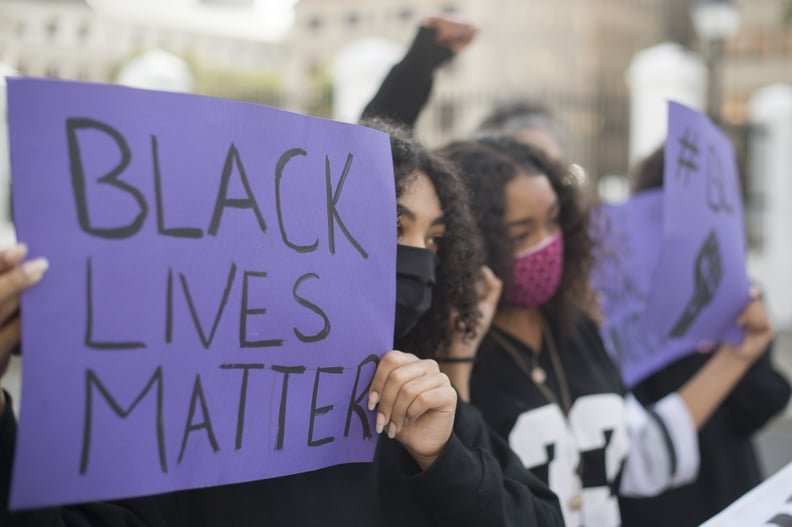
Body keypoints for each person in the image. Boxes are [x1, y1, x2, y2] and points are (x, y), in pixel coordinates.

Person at [0, 124, 563, 526]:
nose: (420, 258)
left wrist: (445, 460)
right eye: (394, 228)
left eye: (435, 240)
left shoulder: (421, 399)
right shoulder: (188, 416)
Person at [441, 135, 775, 527]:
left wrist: (738, 355)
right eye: (520, 235)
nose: (546, 245)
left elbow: (641, 456)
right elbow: (459, 489)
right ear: (473, 244)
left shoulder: (575, 329)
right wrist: (456, 364)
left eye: (553, 221)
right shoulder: (449, 347)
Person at [617, 147, 791, 527]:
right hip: (653, 496)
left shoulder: (740, 299)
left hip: (726, 495)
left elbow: (759, 405)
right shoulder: (615, 305)